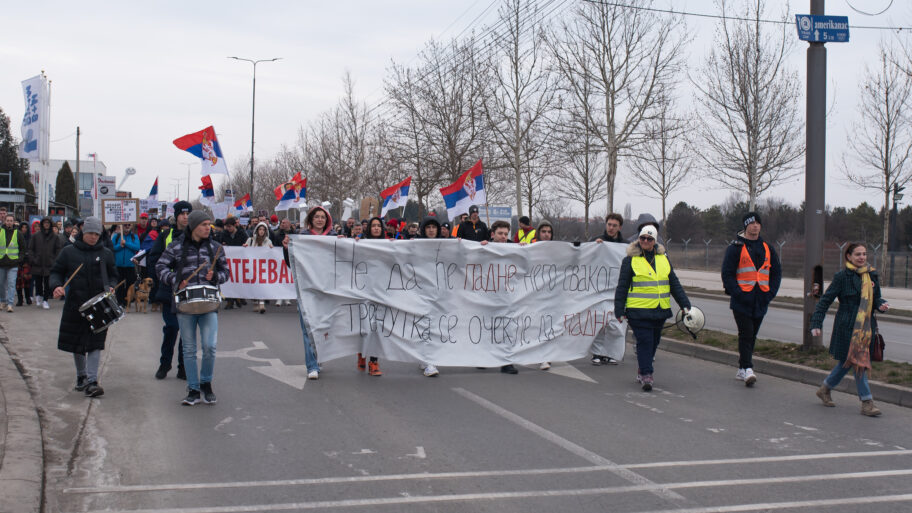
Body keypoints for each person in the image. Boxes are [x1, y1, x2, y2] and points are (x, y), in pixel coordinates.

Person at [156, 211, 229, 406]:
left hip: (209, 304)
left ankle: (206, 383)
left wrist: (216, 277)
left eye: (209, 224)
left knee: (209, 346)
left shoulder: (216, 248)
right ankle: (193, 388)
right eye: (204, 224)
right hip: (185, 303)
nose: (208, 228)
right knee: (188, 349)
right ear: (194, 226)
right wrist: (174, 280)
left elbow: (226, 272)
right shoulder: (177, 246)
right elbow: (160, 266)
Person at [811, 243, 889, 417]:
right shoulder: (842, 277)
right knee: (858, 362)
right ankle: (867, 402)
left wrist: (881, 304)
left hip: (866, 327)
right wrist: (816, 323)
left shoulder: (871, 275)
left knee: (848, 362)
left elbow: (876, 299)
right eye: (857, 254)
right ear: (848, 256)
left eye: (864, 254)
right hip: (847, 326)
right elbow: (825, 301)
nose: (862, 257)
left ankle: (825, 388)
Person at [614, 222, 690, 391]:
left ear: (655, 241)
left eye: (649, 239)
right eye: (643, 238)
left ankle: (643, 367)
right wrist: (619, 309)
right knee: (645, 341)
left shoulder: (663, 259)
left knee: (654, 341)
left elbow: (674, 283)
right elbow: (622, 286)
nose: (645, 241)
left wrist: (684, 304)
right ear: (638, 239)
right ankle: (647, 374)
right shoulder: (630, 260)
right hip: (637, 310)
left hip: (659, 309)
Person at [49, 217, 117, 397]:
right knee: (77, 343)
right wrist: (56, 286)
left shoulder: (106, 254)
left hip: (99, 305)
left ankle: (93, 381)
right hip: (75, 304)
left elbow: (113, 275)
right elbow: (56, 271)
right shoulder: (69, 252)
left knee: (95, 343)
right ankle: (81, 376)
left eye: (97, 234)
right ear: (83, 233)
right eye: (90, 233)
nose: (94, 237)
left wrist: (111, 285)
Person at [721, 212, 782, 387]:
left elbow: (776, 273)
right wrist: (738, 293)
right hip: (742, 300)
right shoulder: (735, 248)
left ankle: (742, 368)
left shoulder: (767, 248)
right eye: (751, 223)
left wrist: (770, 294)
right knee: (746, 333)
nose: (755, 226)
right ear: (745, 226)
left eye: (757, 223)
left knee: (751, 335)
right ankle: (748, 368)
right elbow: (727, 274)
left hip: (761, 299)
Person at [282, 206, 342, 379]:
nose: (320, 219)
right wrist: (287, 248)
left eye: (323, 217)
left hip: (328, 290)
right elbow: (290, 263)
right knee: (308, 327)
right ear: (311, 220)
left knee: (325, 326)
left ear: (327, 220)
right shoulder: (301, 238)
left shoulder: (333, 238)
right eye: (316, 217)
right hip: (307, 290)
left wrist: (345, 244)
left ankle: (318, 355)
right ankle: (311, 366)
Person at [147, 201, 192, 380]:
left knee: (186, 332)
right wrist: (159, 282)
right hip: (169, 290)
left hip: (189, 291)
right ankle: (165, 364)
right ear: (177, 215)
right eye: (182, 214)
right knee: (172, 328)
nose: (185, 217)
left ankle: (183, 367)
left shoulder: (197, 235)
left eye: (188, 214)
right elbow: (154, 260)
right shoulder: (166, 234)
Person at [479, 220, 520, 374]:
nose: (503, 237)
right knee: (487, 328)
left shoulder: (514, 249)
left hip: (507, 296)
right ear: (492, 234)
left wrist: (524, 249)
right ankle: (482, 357)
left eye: (505, 234)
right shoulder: (484, 247)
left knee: (507, 328)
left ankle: (506, 362)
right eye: (500, 234)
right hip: (487, 295)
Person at [590, 212, 626, 365]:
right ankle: (597, 353)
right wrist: (594, 247)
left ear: (620, 227)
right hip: (599, 289)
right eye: (609, 224)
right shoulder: (597, 241)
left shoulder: (625, 245)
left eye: (614, 226)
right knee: (599, 322)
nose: (611, 228)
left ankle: (612, 353)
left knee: (616, 324)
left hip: (617, 289)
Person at [28, 217, 63, 309]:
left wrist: (55, 260)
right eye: (45, 223)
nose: (46, 224)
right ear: (42, 224)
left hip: (49, 263)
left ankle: (45, 300)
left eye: (48, 223)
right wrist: (33, 259)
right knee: (38, 282)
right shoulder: (36, 235)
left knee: (47, 283)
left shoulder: (55, 237)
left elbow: (58, 249)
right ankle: (38, 295)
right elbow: (31, 249)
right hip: (38, 263)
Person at [245, 221, 274, 313]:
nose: (261, 231)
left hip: (263, 266)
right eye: (260, 229)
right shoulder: (250, 240)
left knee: (262, 284)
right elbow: (245, 252)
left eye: (263, 230)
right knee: (254, 285)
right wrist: (244, 247)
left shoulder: (268, 241)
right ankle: (255, 302)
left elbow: (270, 254)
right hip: (252, 265)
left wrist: (272, 249)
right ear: (257, 230)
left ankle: (261, 303)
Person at [219, 217, 247, 309]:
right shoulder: (224, 234)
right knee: (229, 280)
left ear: (234, 225)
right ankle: (230, 300)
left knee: (238, 279)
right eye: (226, 227)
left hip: (239, 260)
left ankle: (238, 297)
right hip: (228, 260)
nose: (228, 229)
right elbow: (219, 244)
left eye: (229, 227)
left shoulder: (242, 233)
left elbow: (247, 243)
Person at [111, 223, 141, 306]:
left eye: (129, 225)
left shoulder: (134, 236)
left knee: (130, 285)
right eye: (125, 225)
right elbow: (112, 248)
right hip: (118, 265)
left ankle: (127, 301)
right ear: (121, 226)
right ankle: (120, 302)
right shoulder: (116, 236)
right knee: (119, 285)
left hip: (130, 265)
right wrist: (120, 245)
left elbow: (137, 247)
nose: (127, 226)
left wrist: (126, 244)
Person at [0, 214, 22, 312]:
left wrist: (19, 259)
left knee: (11, 284)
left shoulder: (18, 233)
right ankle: (2, 301)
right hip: (1, 263)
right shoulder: (0, 231)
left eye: (11, 220)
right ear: (5, 221)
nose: (9, 222)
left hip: (13, 263)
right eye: (7, 220)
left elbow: (23, 248)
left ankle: (10, 304)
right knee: (1, 284)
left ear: (13, 222)